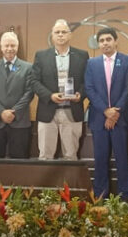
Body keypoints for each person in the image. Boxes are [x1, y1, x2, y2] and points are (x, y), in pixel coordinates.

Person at [84, 28, 128, 200]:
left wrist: (115, 112)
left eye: (108, 39)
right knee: (100, 161)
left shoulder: (127, 61)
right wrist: (106, 111)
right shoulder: (92, 63)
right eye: (102, 40)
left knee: (122, 161)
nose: (105, 43)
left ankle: (124, 199)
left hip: (121, 119)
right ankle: (100, 198)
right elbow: (89, 89)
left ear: (116, 41)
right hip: (99, 119)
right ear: (98, 44)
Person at [30, 19, 88, 160]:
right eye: (57, 32)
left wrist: (80, 94)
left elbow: (88, 81)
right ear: (52, 35)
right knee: (45, 155)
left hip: (72, 110)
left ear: (70, 35)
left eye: (64, 32)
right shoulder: (41, 56)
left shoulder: (82, 55)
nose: (60, 35)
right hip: (47, 111)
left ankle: (70, 183)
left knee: (71, 155)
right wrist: (50, 96)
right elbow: (34, 81)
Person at [0, 31, 34, 158]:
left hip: (20, 122)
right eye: (6, 46)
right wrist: (1, 112)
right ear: (1, 47)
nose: (9, 49)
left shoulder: (28, 68)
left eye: (13, 45)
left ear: (17, 47)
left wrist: (14, 112)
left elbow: (29, 92)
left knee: (19, 163)